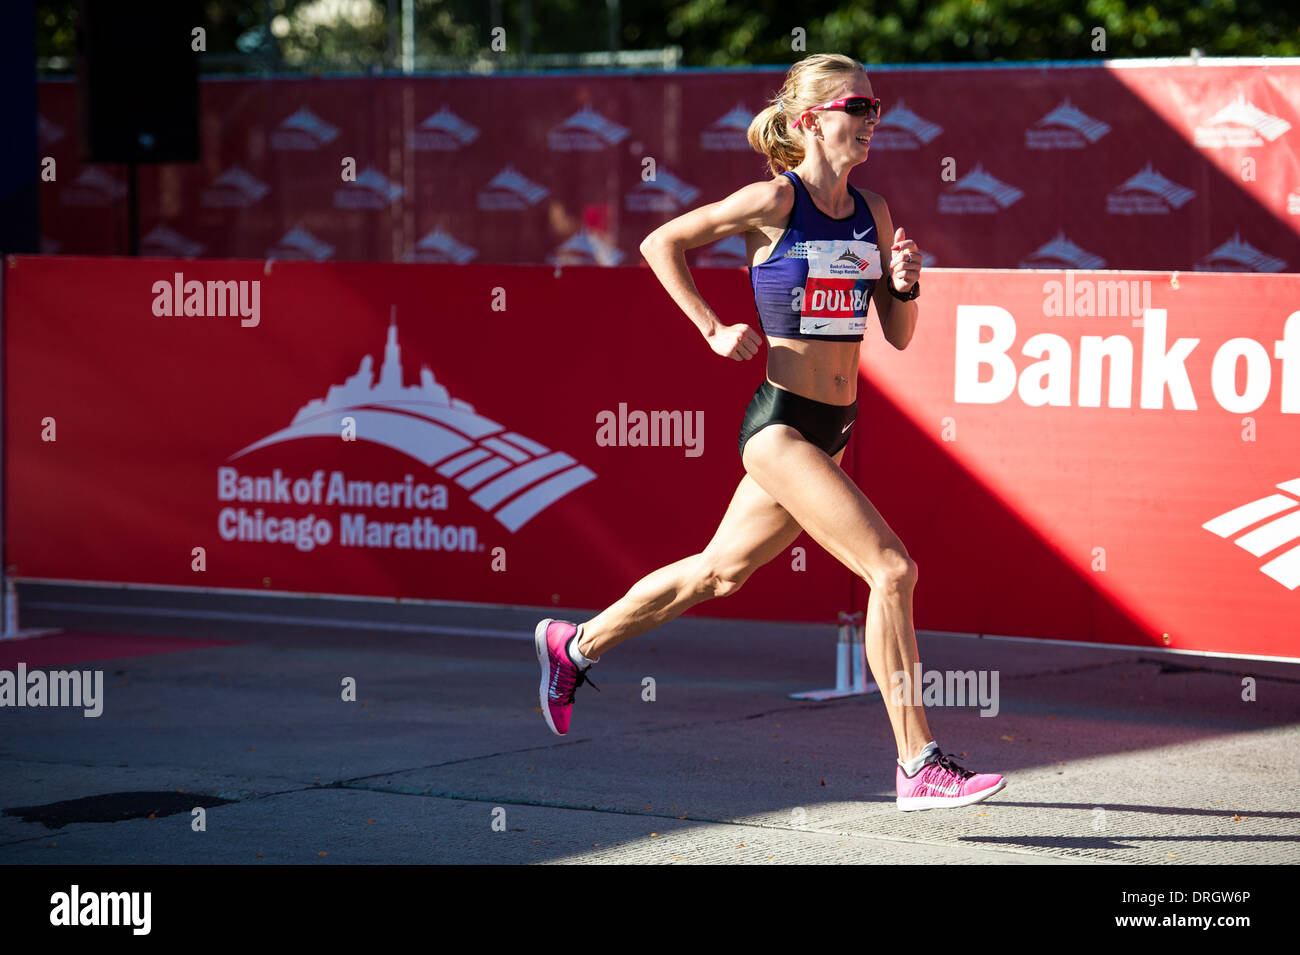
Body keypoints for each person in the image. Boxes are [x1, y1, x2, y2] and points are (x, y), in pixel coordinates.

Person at [534, 53, 1005, 811]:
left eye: (878, 109)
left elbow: (899, 332)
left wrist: (908, 284)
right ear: (812, 117)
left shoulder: (873, 212)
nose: (873, 121)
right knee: (891, 569)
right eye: (860, 106)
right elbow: (663, 243)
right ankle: (918, 762)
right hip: (780, 427)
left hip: (836, 426)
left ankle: (575, 644)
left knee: (719, 573)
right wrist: (713, 328)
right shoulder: (772, 201)